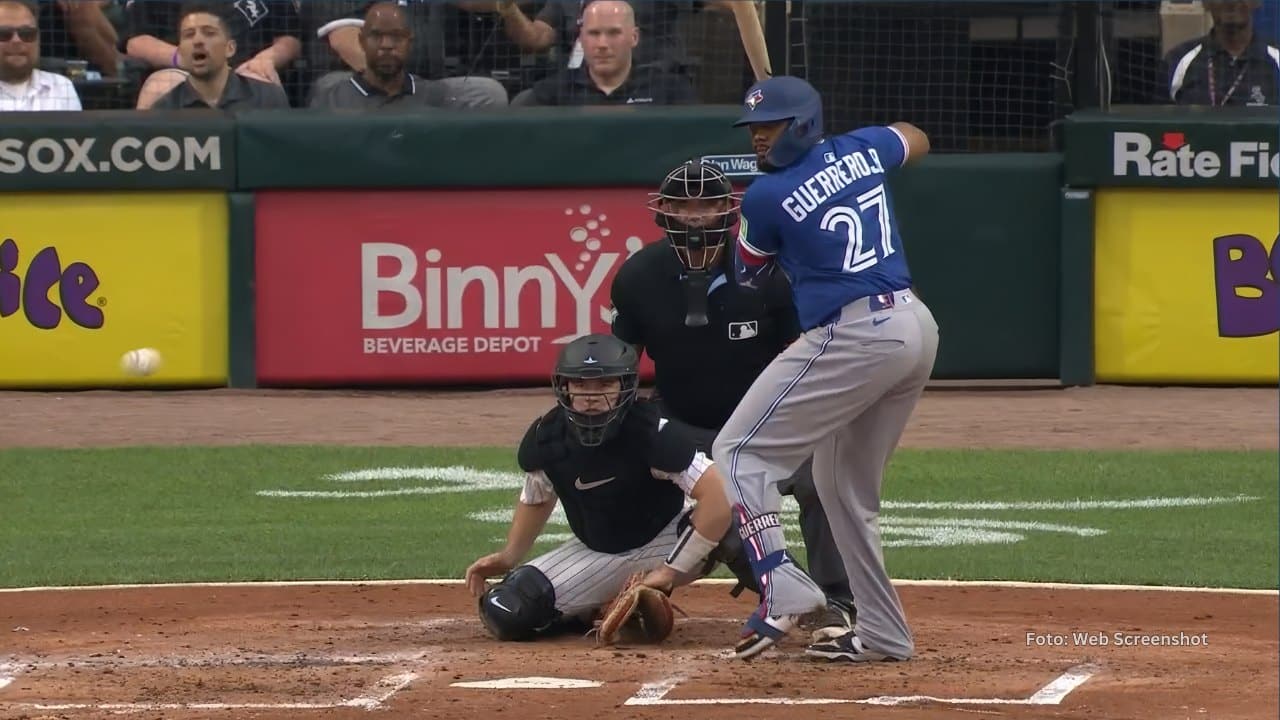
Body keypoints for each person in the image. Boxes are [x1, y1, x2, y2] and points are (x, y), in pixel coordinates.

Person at [712, 75, 938, 663]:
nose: (759, 138)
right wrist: (843, 156)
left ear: (802, 123)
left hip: (855, 334)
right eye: (754, 128)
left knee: (737, 452)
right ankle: (884, 635)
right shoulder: (863, 147)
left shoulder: (765, 195)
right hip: (914, 327)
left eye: (771, 126)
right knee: (842, 492)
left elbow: (748, 275)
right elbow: (915, 136)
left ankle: (781, 583)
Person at [609, 158, 857, 644]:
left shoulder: (771, 269)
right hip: (683, 425)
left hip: (768, 422)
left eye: (707, 204)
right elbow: (621, 368)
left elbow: (805, 355)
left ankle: (838, 599)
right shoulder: (637, 276)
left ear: (728, 208)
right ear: (663, 212)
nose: (694, 216)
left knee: (822, 481)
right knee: (713, 508)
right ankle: (785, 595)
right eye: (682, 205)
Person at [464, 333, 733, 642]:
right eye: (581, 385)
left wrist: (669, 571)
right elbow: (536, 497)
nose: (591, 396)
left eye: (605, 384)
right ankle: (595, 611)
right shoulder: (548, 438)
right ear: (565, 387)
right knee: (507, 609)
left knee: (736, 523)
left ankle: (774, 606)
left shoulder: (653, 432)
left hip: (668, 539)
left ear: (625, 387)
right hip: (599, 552)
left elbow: (719, 494)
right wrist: (509, 556)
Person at [127, 0, 302, 110]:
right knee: (159, 87)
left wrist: (267, 58)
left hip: (248, 67)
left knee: (264, 81)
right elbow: (136, 42)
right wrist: (181, 58)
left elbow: (289, 38)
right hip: (179, 71)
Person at [519, 0, 695, 106]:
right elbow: (536, 38)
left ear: (634, 37)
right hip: (574, 86)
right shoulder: (550, 94)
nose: (602, 44)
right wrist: (509, 9)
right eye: (594, 33)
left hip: (649, 84)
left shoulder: (673, 92)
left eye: (613, 33)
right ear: (581, 36)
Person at [308, 2, 445, 110]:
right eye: (377, 36)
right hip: (355, 90)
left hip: (424, 85)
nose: (386, 45)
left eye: (396, 37)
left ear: (410, 42)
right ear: (362, 41)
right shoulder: (332, 96)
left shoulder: (436, 94)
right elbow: (342, 38)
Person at [1160, 0, 1279, 106]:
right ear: (1205, 3)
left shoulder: (1276, 59)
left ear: (1257, 2)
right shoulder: (1177, 60)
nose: (1231, 2)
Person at [0, 0, 81, 111]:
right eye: (3, 34)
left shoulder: (61, 87)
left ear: (38, 39)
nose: (16, 40)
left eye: (27, 33)